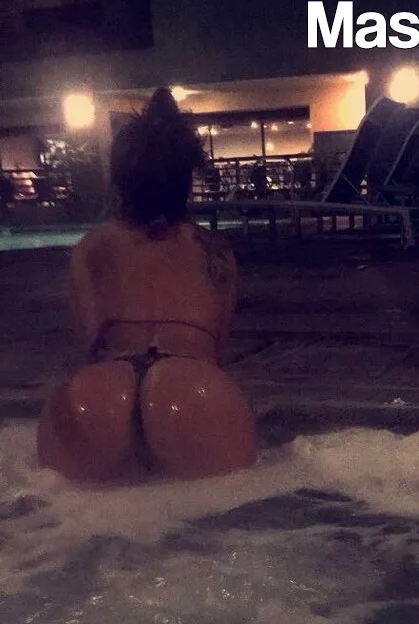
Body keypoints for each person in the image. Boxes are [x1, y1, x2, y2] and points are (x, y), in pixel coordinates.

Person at [37, 88, 256, 483]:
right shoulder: (215, 250)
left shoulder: (91, 247)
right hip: (195, 390)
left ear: (120, 182)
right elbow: (214, 348)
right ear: (185, 182)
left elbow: (91, 341)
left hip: (98, 395)